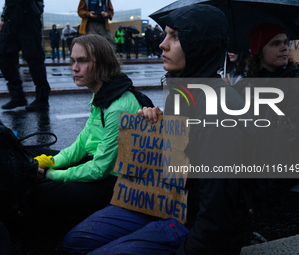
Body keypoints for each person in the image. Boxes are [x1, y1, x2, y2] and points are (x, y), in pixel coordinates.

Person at [62, 5, 255, 255]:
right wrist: (156, 126)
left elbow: (217, 216)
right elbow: (179, 159)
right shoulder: (184, 92)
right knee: (75, 241)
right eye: (165, 35)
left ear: (198, 44)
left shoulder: (220, 109)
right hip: (166, 202)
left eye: (174, 37)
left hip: (191, 221)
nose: (162, 44)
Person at [13, 34, 153, 252]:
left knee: (43, 192)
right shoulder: (102, 96)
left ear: (103, 64)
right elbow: (79, 146)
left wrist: (50, 175)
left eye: (83, 61)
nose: (74, 68)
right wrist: (47, 162)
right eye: (72, 61)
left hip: (118, 184)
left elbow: (99, 170)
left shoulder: (117, 105)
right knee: (33, 156)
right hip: (103, 171)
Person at [235, 23, 299, 206]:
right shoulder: (245, 84)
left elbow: (297, 130)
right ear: (259, 51)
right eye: (275, 43)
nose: (284, 47)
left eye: (286, 42)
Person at [0, 0, 51, 111]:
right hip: (13, 19)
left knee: (34, 58)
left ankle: (42, 99)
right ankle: (17, 96)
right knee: (3, 52)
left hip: (29, 18)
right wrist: (3, 18)